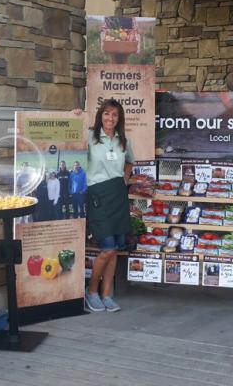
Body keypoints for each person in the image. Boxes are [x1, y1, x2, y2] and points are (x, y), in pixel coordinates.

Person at [83, 99, 134, 313]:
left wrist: (125, 179)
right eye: (106, 114)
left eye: (114, 115)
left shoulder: (123, 140)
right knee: (107, 248)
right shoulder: (90, 136)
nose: (110, 118)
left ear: (119, 118)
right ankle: (92, 292)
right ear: (100, 116)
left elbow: (129, 161)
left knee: (114, 251)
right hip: (97, 195)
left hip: (118, 195)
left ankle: (106, 294)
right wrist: (74, 114)